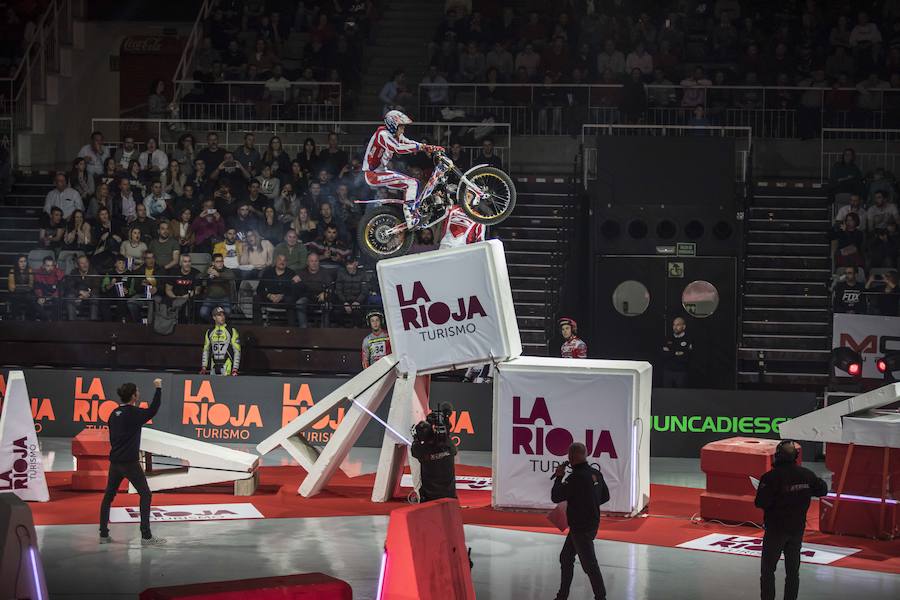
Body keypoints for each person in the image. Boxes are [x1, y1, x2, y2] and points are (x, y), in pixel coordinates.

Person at [754, 440, 828, 600]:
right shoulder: (807, 474)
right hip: (797, 529)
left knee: (768, 570)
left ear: (777, 456)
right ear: (795, 456)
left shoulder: (770, 477)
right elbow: (822, 489)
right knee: (793, 572)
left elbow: (760, 502)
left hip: (776, 530)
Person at [98, 378, 167, 546]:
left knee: (108, 496)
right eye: (137, 392)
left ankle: (103, 534)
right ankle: (146, 536)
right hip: (130, 463)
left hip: (115, 462)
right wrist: (158, 388)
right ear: (134, 396)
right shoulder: (134, 414)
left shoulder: (113, 413)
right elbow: (153, 410)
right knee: (146, 495)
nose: (139, 393)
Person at [551, 442, 609, 600]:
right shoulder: (595, 474)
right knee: (566, 557)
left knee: (589, 564)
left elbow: (556, 496)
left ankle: (601, 597)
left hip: (580, 527)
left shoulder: (574, 478)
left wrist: (558, 477)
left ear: (570, 457)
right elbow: (605, 496)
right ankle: (562, 595)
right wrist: (589, 503)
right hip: (590, 523)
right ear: (586, 454)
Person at [363, 110, 442, 227]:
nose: (403, 130)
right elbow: (398, 148)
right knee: (412, 183)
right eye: (402, 127)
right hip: (373, 174)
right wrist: (421, 148)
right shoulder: (383, 135)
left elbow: (407, 141)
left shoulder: (393, 135)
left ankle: (412, 213)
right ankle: (410, 217)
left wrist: (427, 147)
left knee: (412, 183)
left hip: (380, 172)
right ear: (393, 125)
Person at [410, 402, 457, 502]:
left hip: (429, 499)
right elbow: (452, 448)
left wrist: (417, 438)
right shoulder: (449, 446)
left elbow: (414, 450)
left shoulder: (421, 450)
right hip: (450, 498)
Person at [201, 306, 241, 376]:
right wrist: (204, 367)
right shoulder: (209, 332)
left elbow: (237, 350)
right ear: (214, 317)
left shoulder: (231, 331)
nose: (222, 317)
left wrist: (235, 368)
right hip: (213, 366)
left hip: (227, 365)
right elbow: (205, 350)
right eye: (219, 315)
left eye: (223, 315)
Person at [662, 317, 693, 387]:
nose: (675, 327)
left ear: (684, 326)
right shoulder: (668, 338)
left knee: (681, 394)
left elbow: (686, 357)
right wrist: (676, 353)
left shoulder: (688, 339)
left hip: (681, 372)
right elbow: (664, 355)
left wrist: (671, 352)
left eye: (678, 325)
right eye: (674, 325)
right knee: (666, 393)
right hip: (668, 371)